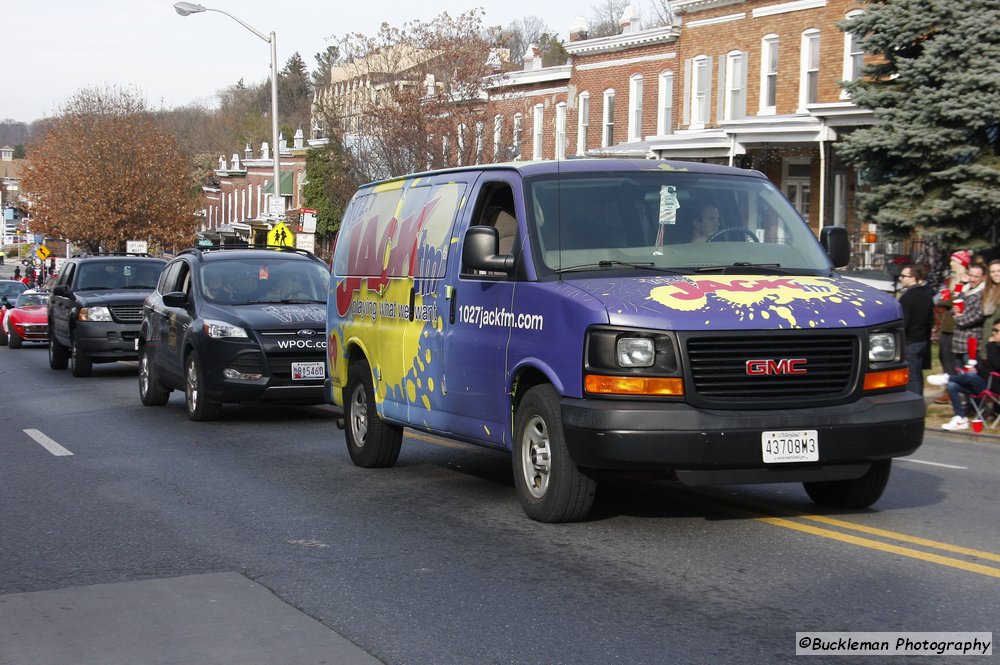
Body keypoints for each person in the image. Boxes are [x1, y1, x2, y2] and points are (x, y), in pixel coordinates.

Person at [942, 322, 1000, 431]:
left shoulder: (993, 348)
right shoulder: (995, 348)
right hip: (985, 383)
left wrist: (991, 346)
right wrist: (977, 368)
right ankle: (960, 418)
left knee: (969, 376)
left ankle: (947, 378)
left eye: (997, 331)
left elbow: (997, 365)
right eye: (993, 330)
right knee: (952, 386)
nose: (993, 334)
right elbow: (988, 369)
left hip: (995, 386)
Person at [898, 263, 935, 395]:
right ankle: (919, 399)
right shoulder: (927, 294)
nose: (900, 279)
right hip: (922, 340)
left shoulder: (908, 297)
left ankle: (915, 404)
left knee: (911, 377)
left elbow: (904, 323)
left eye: (903, 276)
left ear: (913, 278)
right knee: (917, 375)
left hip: (911, 342)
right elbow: (930, 319)